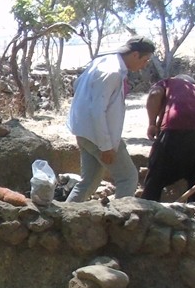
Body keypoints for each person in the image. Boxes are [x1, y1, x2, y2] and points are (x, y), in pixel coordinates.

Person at [64, 35, 156, 202]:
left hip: (84, 131)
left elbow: (77, 84)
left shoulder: (102, 62)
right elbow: (97, 110)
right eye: (145, 60)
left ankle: (65, 218)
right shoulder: (112, 72)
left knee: (88, 181)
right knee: (127, 178)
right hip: (98, 135)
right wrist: (106, 146)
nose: (145, 65)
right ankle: (118, 222)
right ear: (135, 55)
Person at [141, 73, 195, 202]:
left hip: (177, 128)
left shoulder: (169, 83)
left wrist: (151, 123)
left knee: (155, 177)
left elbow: (155, 94)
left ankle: (147, 210)